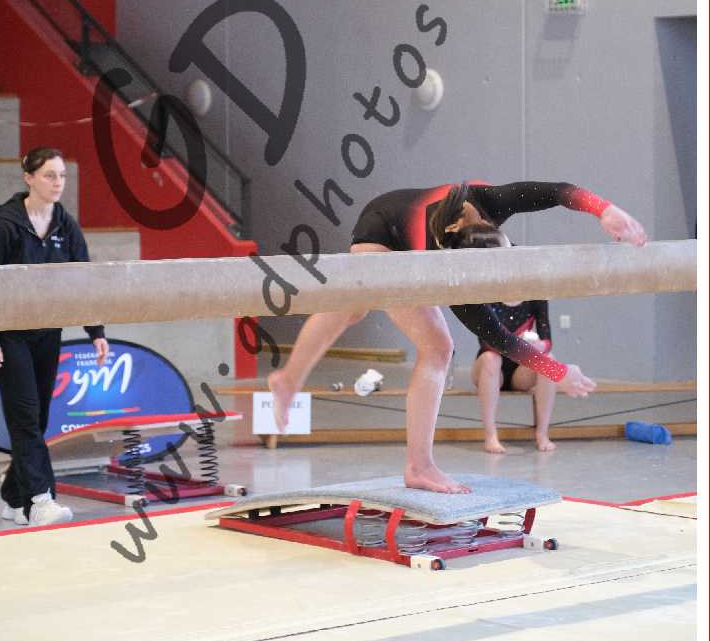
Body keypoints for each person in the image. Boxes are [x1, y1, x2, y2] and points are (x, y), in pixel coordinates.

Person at [268, 180, 646, 494]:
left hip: (415, 222)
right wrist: (557, 371)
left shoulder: (491, 201)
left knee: (414, 337)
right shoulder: (445, 269)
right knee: (384, 321)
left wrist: (605, 209)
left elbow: (557, 191)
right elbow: (501, 339)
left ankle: (414, 462)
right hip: (384, 231)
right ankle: (415, 463)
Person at [0, 147, 109, 527]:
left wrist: (96, 332)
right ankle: (40, 501)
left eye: (62, 175)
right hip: (10, 336)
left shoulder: (66, 226)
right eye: (50, 175)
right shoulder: (4, 224)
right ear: (29, 178)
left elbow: (82, 282)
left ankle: (14, 498)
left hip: (47, 333)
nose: (58, 183)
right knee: (25, 418)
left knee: (38, 419)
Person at [471, 295, 558, 454]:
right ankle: (490, 435)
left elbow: (547, 340)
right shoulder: (488, 296)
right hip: (491, 368)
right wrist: (518, 344)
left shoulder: (536, 297)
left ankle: (542, 433)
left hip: (519, 372)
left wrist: (537, 346)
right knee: (491, 359)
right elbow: (485, 341)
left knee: (549, 360)